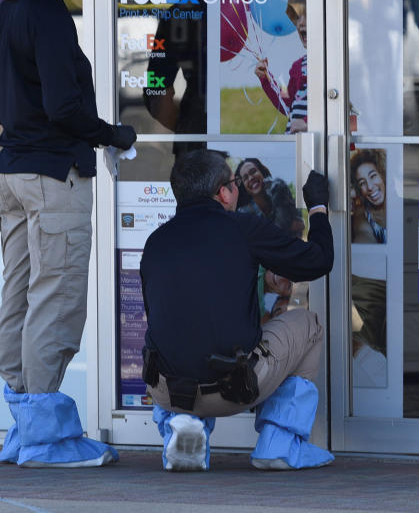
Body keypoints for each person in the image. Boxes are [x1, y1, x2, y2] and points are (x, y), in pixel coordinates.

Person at [0, 0, 135, 468]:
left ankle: (23, 427)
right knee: (57, 299)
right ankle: (44, 438)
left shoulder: (11, 8)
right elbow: (65, 108)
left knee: (20, 294)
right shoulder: (47, 12)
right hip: (51, 179)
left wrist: (26, 133)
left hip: (13, 175)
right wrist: (114, 134)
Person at [139, 149, 334, 471]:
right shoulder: (243, 228)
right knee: (308, 323)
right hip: (234, 386)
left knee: (176, 338)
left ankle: (188, 426)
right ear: (223, 192)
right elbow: (318, 261)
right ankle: (279, 445)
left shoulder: (155, 241)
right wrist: (317, 206)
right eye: (235, 182)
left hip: (168, 391)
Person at [254, 0, 308, 134]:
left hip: (316, 144)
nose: (301, 23)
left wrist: (307, 122)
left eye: (307, 16)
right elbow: (287, 102)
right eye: (297, 17)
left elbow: (336, 108)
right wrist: (266, 79)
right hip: (293, 143)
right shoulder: (298, 66)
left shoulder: (333, 65)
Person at [235, 157, 304, 238]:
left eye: (253, 172)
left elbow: (295, 226)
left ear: (262, 174)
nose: (251, 178)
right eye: (245, 178)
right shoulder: (245, 213)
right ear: (245, 188)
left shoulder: (279, 189)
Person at [350, 150, 386, 243]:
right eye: (362, 183)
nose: (369, 187)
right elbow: (363, 233)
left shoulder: (402, 205)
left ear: (382, 176)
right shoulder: (362, 214)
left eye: (373, 176)